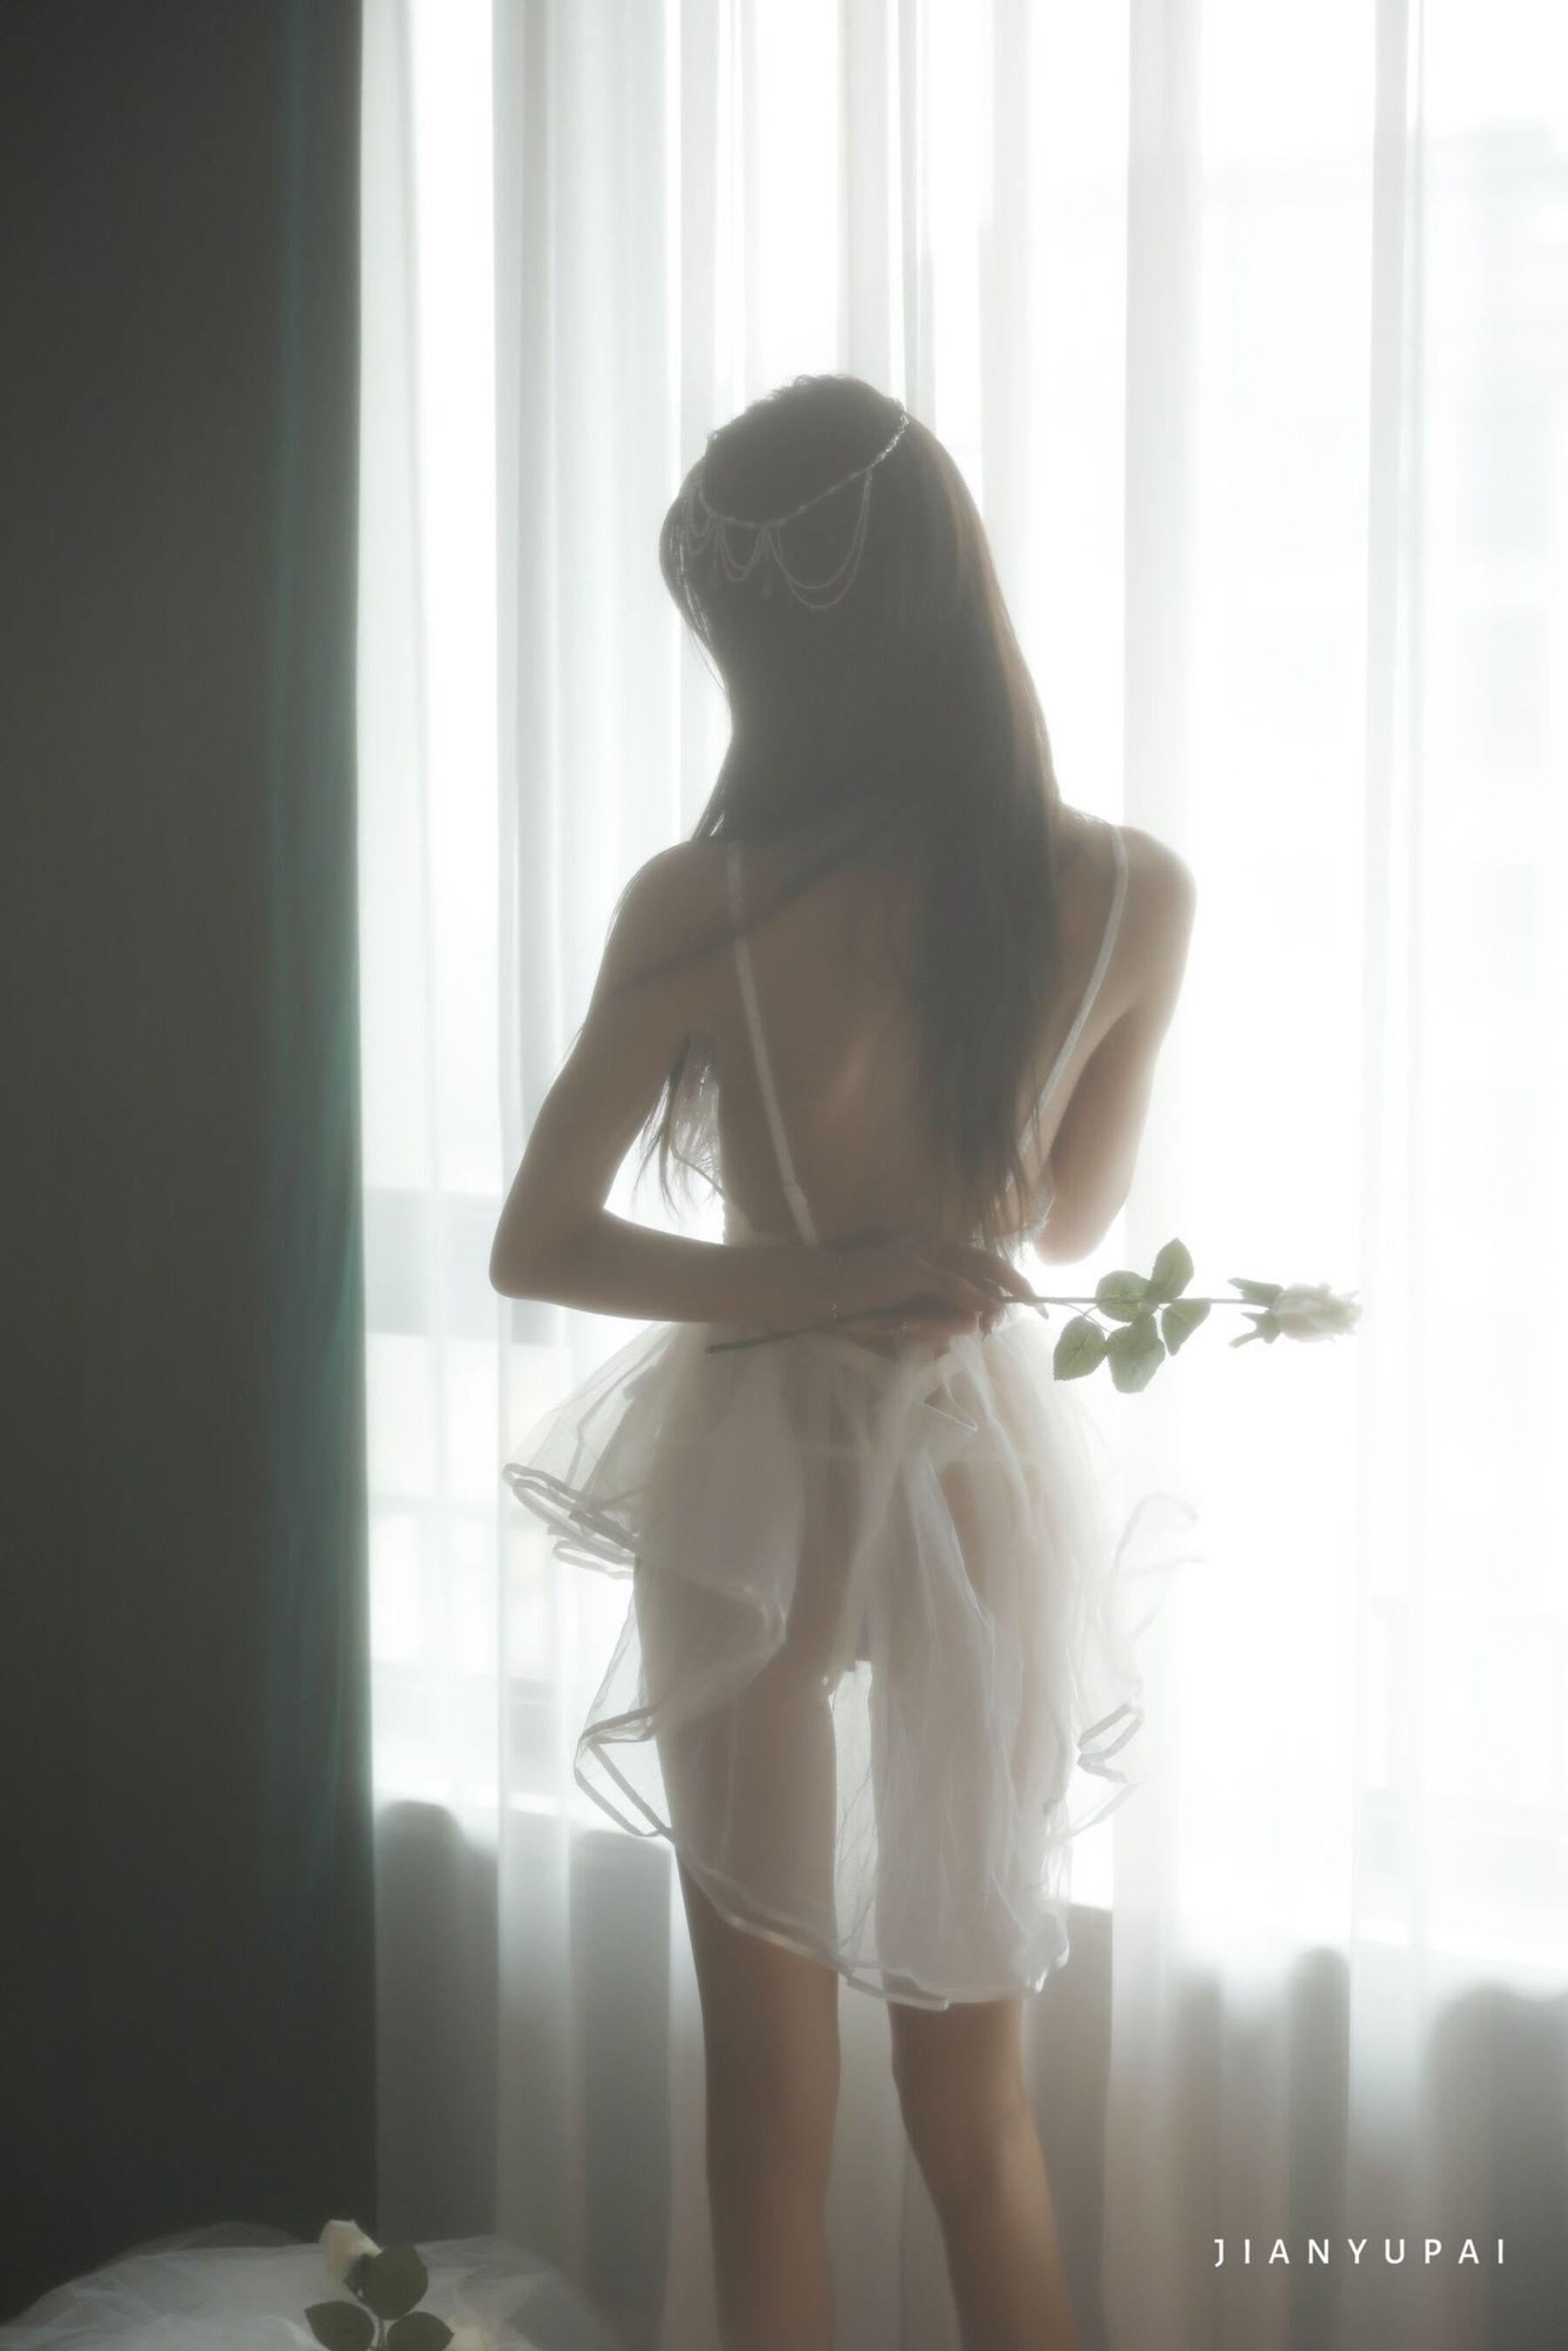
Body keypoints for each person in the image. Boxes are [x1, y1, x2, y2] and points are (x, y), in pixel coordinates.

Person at [490, 375, 1196, 2351]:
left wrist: (822, 1266)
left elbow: (538, 1240)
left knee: (766, 2114)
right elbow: (1069, 1226)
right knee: (981, 2114)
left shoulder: (703, 900)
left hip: (751, 1476)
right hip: (976, 1470)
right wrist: (938, 1202)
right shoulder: (1133, 891)